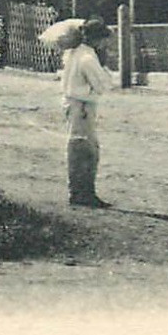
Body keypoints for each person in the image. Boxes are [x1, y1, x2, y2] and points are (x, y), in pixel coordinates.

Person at [57, 17, 114, 208]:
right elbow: (103, 85)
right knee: (87, 150)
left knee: (77, 147)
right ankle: (84, 193)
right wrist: (105, 67)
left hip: (72, 103)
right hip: (82, 106)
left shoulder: (73, 53)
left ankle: (78, 191)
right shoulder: (88, 59)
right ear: (97, 40)